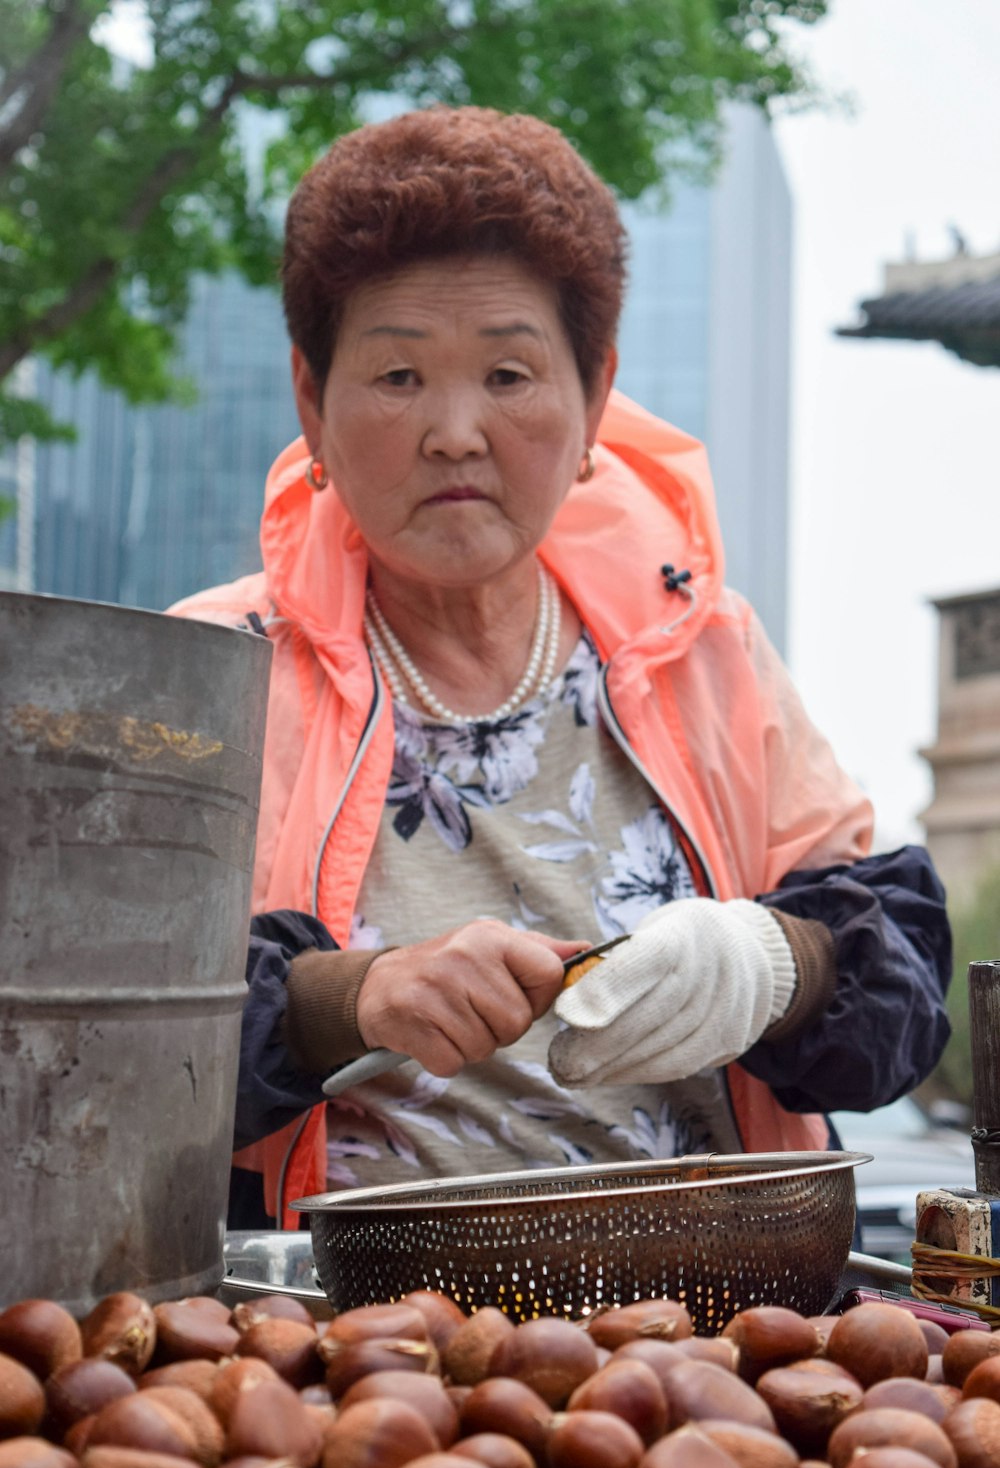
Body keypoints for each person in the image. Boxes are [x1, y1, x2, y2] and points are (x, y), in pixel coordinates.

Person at [170, 106, 952, 1230]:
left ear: (593, 396)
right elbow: (85, 1046)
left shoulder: (705, 650)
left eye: (507, 372)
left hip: (720, 1332)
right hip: (331, 1346)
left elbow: (905, 987)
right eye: (396, 375)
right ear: (311, 398)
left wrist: (773, 962)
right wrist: (348, 999)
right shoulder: (203, 677)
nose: (453, 431)